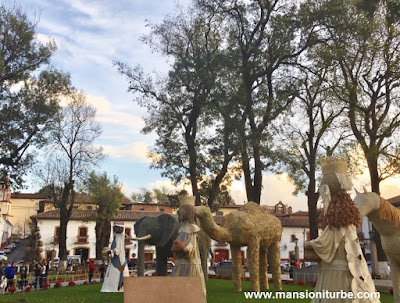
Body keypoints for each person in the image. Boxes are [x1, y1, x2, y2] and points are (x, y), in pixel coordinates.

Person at [305, 156, 378, 303]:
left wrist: (308, 245)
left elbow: (325, 243)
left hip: (337, 276)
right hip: (354, 268)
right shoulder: (348, 218)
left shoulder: (337, 222)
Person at [171, 191, 206, 298]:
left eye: (181, 212)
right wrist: (174, 248)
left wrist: (184, 247)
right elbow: (178, 242)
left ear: (187, 213)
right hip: (180, 262)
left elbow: (192, 246)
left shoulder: (192, 228)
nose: (179, 214)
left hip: (190, 263)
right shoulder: (181, 229)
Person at [100, 223, 129, 292]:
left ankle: (117, 287)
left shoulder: (120, 238)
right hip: (114, 260)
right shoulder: (115, 238)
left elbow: (118, 250)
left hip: (119, 261)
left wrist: (111, 251)